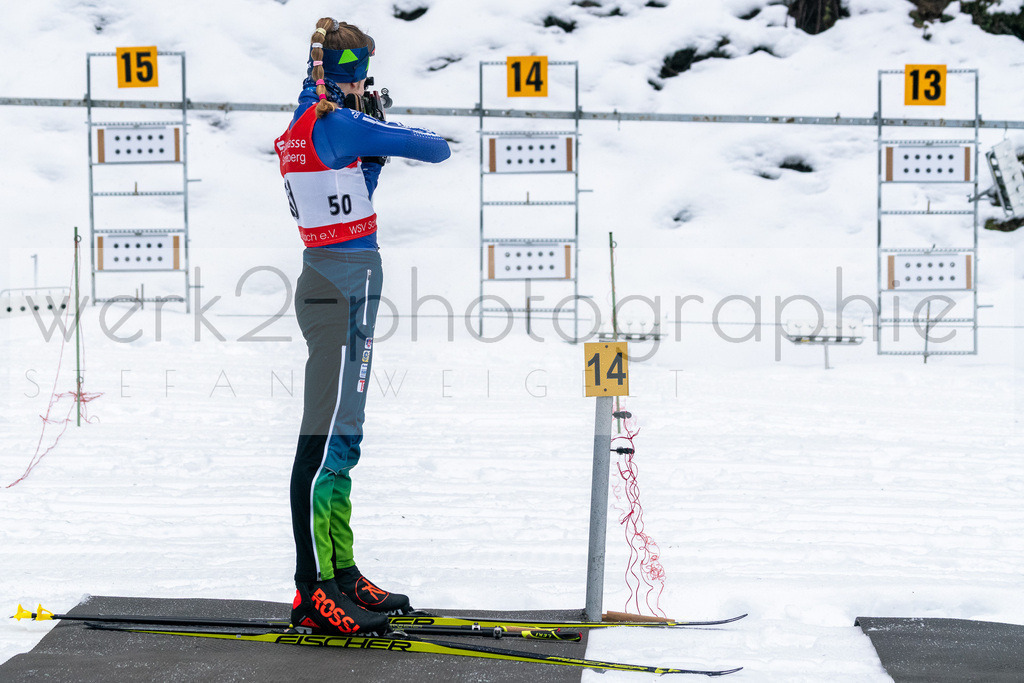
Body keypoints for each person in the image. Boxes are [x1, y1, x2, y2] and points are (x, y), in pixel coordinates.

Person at [274, 17, 450, 636]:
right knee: (323, 441)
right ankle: (310, 590)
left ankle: (340, 573)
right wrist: (375, 125)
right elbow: (435, 145)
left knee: (342, 436)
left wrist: (369, 141)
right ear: (350, 77)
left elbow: (356, 193)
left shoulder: (311, 125)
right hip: (339, 288)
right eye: (363, 77)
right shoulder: (336, 123)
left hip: (342, 280)